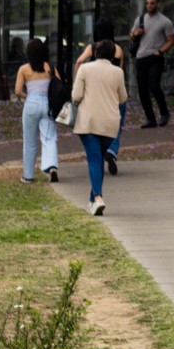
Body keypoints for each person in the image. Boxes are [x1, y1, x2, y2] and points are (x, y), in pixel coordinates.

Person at [69, 38, 128, 216]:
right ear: (112, 56)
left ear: (95, 53)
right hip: (110, 123)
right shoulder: (118, 72)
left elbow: (76, 95)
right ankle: (92, 199)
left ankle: (98, 197)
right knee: (99, 158)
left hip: (89, 121)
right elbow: (123, 98)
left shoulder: (85, 69)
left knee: (94, 159)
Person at [77, 19, 128, 170]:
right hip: (113, 91)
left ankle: (98, 153)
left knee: (95, 124)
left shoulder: (93, 47)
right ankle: (111, 150)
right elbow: (120, 70)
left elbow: (80, 61)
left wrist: (78, 80)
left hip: (95, 93)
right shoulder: (118, 49)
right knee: (117, 123)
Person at [14, 37, 61, 184]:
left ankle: (28, 176)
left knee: (29, 141)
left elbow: (17, 91)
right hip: (47, 104)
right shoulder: (50, 68)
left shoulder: (24, 69)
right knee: (49, 137)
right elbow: (59, 86)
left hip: (31, 103)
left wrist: (27, 96)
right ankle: (52, 167)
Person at [130, 0, 174, 128]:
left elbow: (171, 40)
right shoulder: (140, 20)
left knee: (154, 86)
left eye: (152, 3)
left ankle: (164, 113)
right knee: (142, 90)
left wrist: (161, 51)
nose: (149, 5)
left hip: (155, 56)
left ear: (158, 4)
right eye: (147, 3)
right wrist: (135, 33)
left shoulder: (165, 21)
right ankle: (150, 118)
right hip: (141, 56)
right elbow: (131, 34)